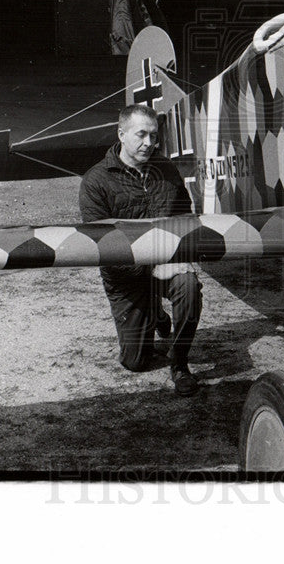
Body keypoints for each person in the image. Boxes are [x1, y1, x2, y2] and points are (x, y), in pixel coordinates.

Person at [79, 104, 202, 396]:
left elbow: (185, 220)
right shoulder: (95, 181)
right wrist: (153, 267)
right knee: (135, 362)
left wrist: (181, 259)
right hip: (126, 277)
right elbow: (104, 248)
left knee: (188, 285)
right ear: (121, 134)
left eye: (154, 136)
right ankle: (156, 314)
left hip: (166, 267)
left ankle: (180, 363)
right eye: (141, 135)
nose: (149, 143)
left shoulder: (167, 170)